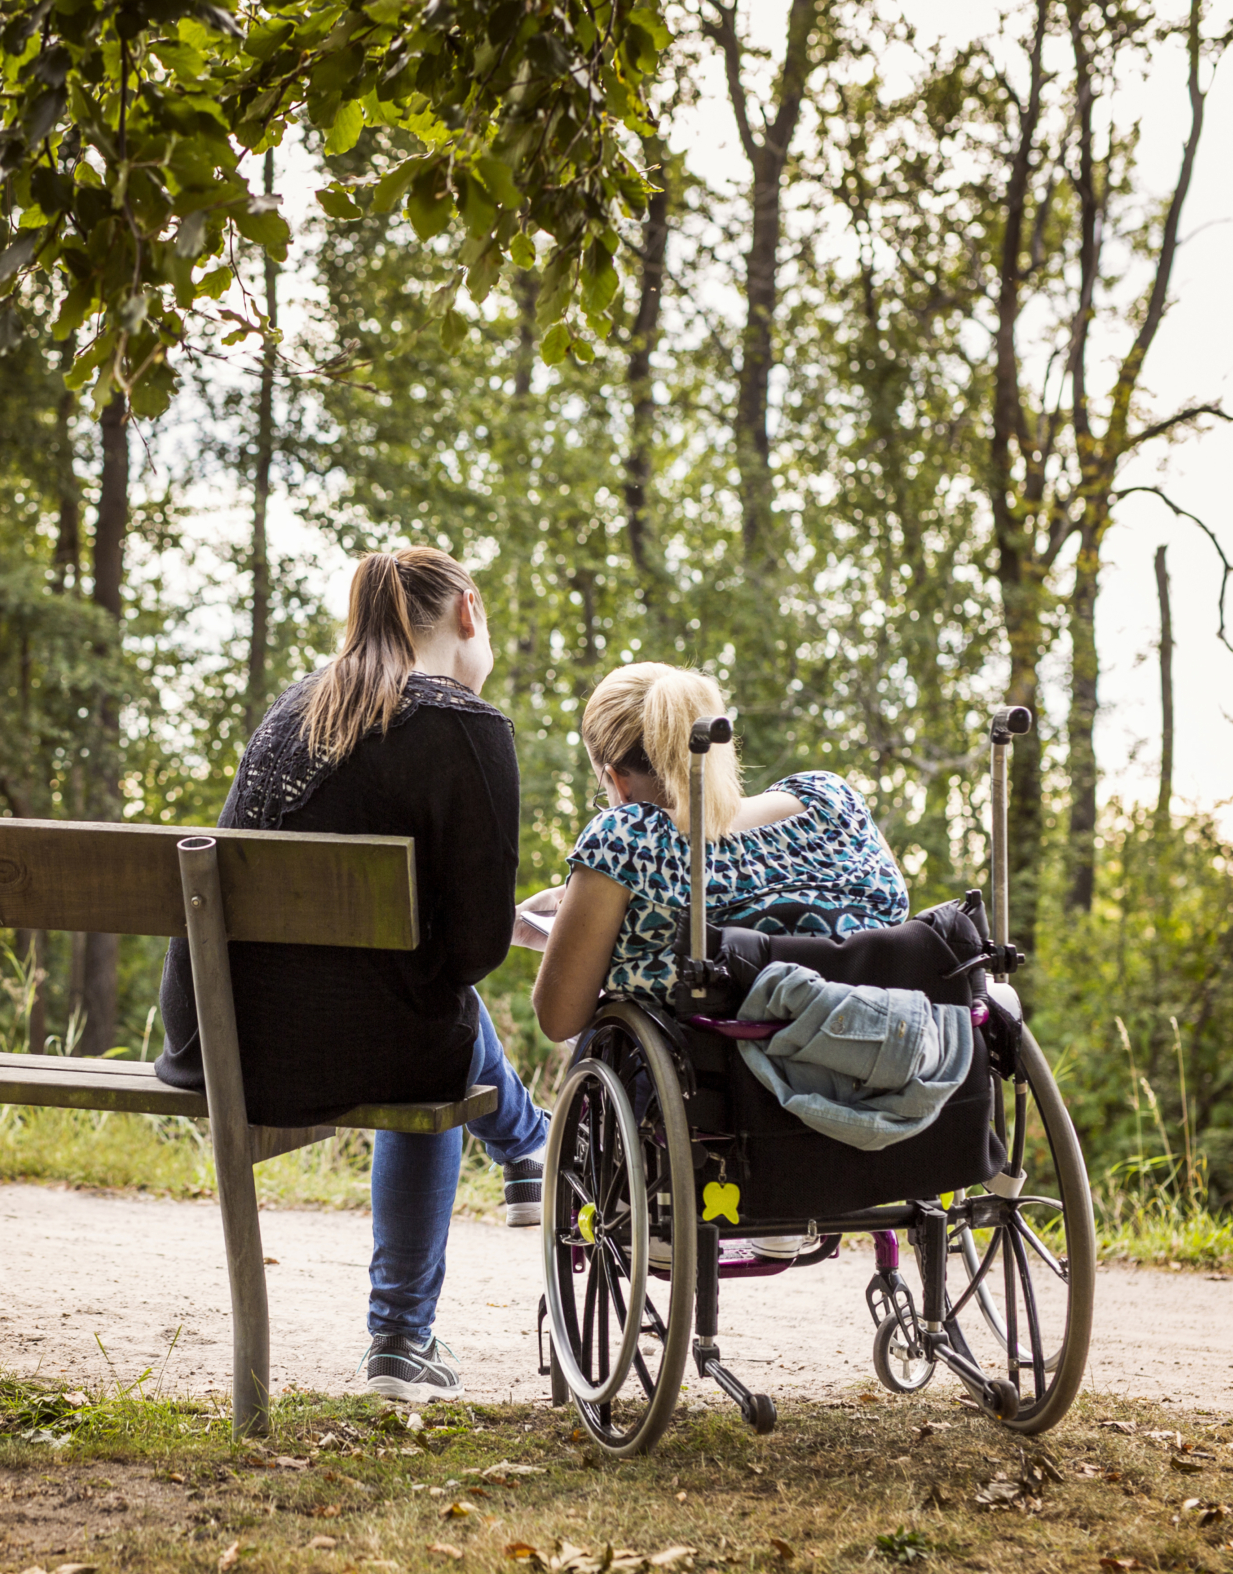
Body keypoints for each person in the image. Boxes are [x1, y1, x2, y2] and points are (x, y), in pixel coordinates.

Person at [154, 547, 550, 1405]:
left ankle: (529, 1149)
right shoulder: (466, 724)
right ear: (469, 613)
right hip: (357, 1052)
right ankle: (410, 1326)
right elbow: (472, 954)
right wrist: (493, 929)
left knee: (426, 1017)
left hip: (216, 1043)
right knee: (433, 1028)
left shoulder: (300, 704)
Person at [520, 661, 911, 1044]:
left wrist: (562, 928)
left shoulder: (625, 837)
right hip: (886, 1060)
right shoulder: (830, 798)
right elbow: (892, 916)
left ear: (618, 781)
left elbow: (558, 1019)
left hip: (727, 1093)